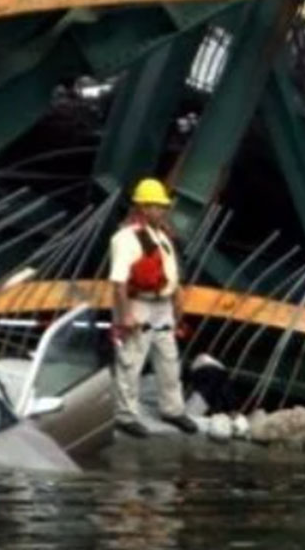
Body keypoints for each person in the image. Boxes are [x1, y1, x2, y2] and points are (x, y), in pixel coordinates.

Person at [107, 177, 198, 438]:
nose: (162, 210)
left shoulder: (162, 237)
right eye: (157, 206)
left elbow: (172, 276)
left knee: (169, 358)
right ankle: (125, 415)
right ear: (143, 207)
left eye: (162, 206)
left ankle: (173, 410)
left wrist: (177, 308)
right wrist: (125, 314)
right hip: (138, 304)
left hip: (163, 305)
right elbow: (118, 281)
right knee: (131, 359)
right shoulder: (126, 238)